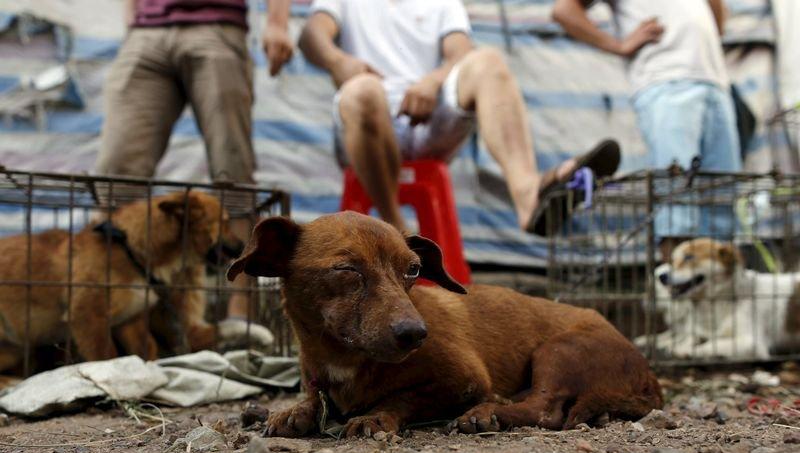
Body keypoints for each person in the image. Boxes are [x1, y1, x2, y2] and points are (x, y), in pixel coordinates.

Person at [300, 0, 621, 236]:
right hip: (363, 129)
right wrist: (338, 60)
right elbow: (312, 34)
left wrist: (434, 80)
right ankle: (393, 224)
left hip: (425, 123)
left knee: (488, 62)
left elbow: (460, 51)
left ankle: (528, 194)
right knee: (364, 91)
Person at [96, 0, 294, 319]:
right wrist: (131, 17)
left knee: (232, 171)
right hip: (146, 33)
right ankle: (107, 303)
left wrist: (277, 23)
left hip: (217, 25)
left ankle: (240, 314)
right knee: (115, 172)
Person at [552, 0, 741, 258]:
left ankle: (718, 294)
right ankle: (673, 292)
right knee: (676, 204)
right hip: (665, 82)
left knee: (722, 203)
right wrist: (618, 45)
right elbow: (564, 10)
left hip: (716, 84)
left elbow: (719, 27)